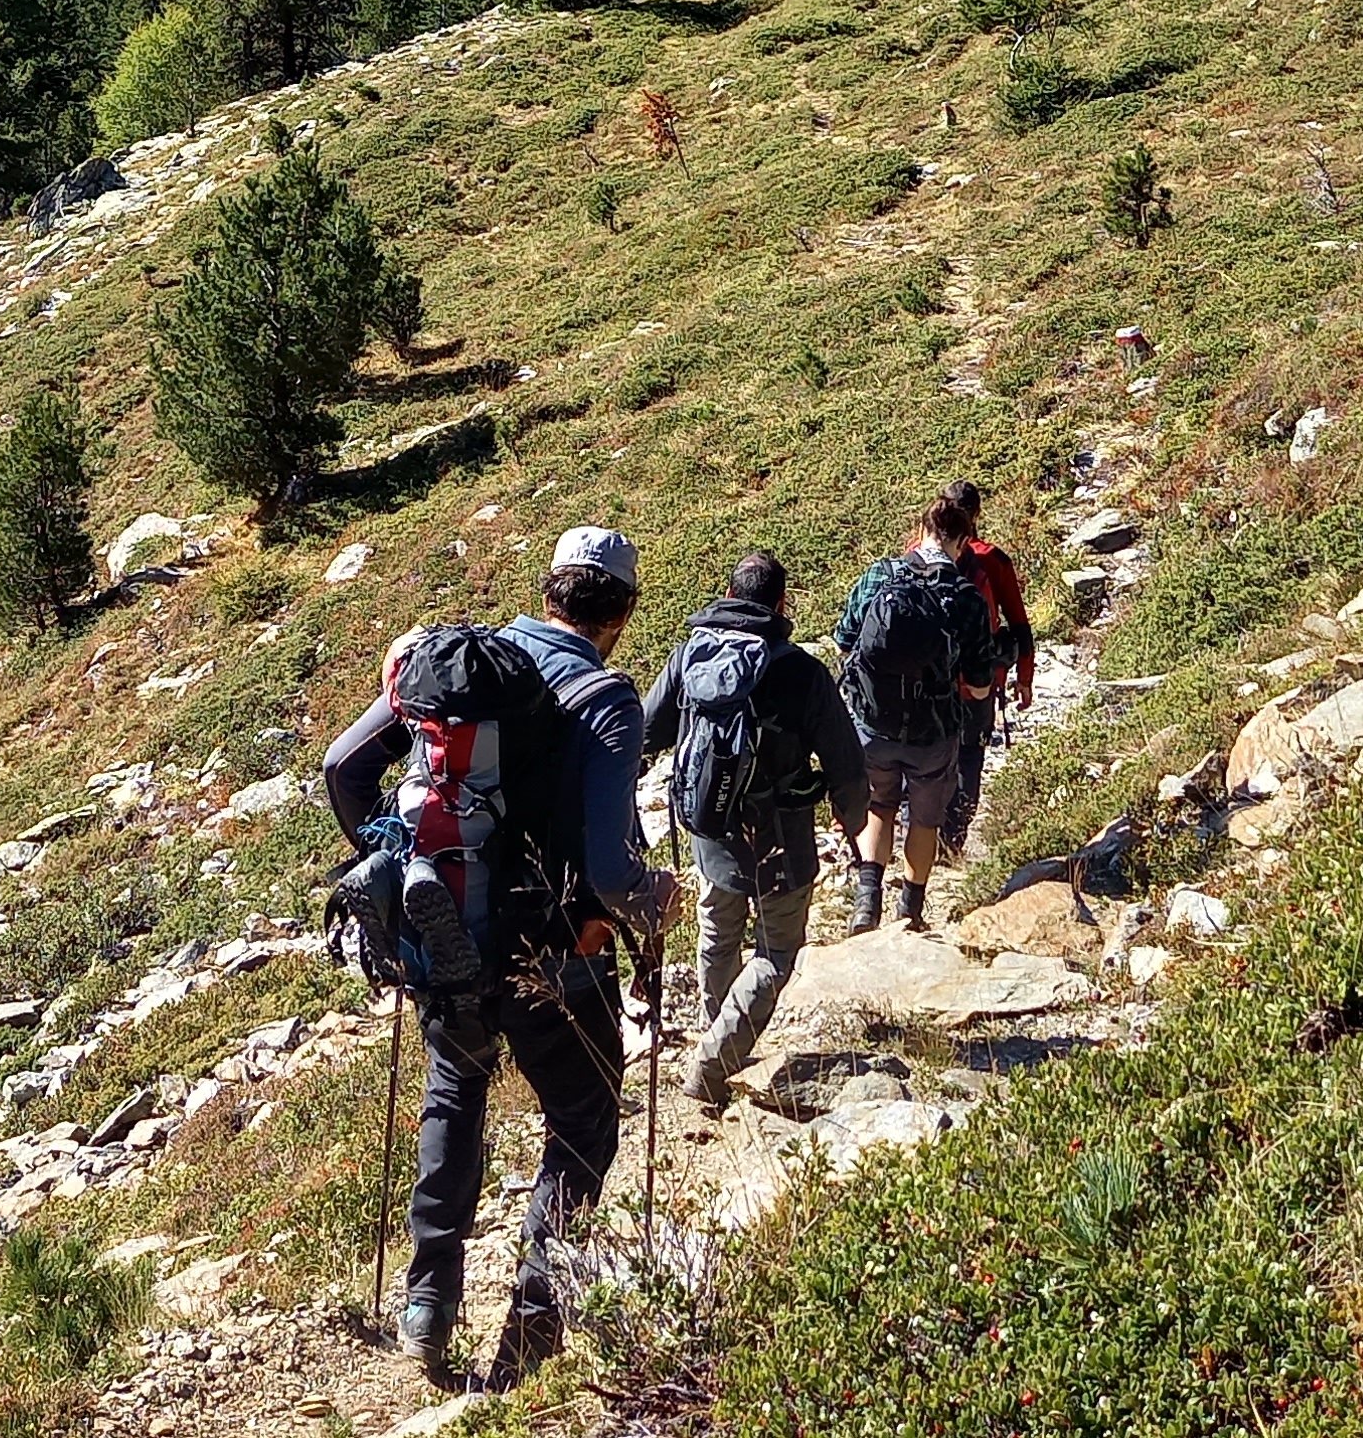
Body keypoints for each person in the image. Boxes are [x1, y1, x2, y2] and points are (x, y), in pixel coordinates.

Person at [323, 524, 664, 1391]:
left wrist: (400, 860)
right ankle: (533, 1323)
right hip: (557, 953)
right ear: (622, 611)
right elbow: (609, 865)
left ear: (548, 589)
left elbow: (343, 768)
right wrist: (649, 902)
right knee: (583, 1124)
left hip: (451, 941)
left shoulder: (464, 665)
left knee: (455, 1093)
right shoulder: (605, 696)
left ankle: (427, 1305)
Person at [643, 550, 866, 1106]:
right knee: (776, 953)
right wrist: (852, 816)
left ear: (730, 592)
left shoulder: (691, 654)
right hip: (781, 837)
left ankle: (720, 1039)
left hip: (710, 830)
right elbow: (843, 758)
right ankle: (716, 1061)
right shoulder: (800, 671)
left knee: (718, 935)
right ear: (781, 603)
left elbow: (648, 728)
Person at [831, 495, 999, 933]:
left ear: (921, 529)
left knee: (879, 804)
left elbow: (844, 640)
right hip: (934, 732)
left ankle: (866, 903)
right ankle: (911, 909)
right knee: (924, 818)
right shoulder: (965, 597)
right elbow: (981, 684)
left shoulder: (878, 576)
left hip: (874, 722)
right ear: (962, 542)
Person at [934, 478, 1037, 862]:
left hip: (926, 683)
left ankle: (918, 844)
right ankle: (950, 847)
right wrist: (1023, 678)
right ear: (977, 515)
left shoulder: (915, 554)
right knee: (968, 761)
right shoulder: (992, 560)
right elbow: (1019, 624)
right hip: (978, 685)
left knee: (927, 760)